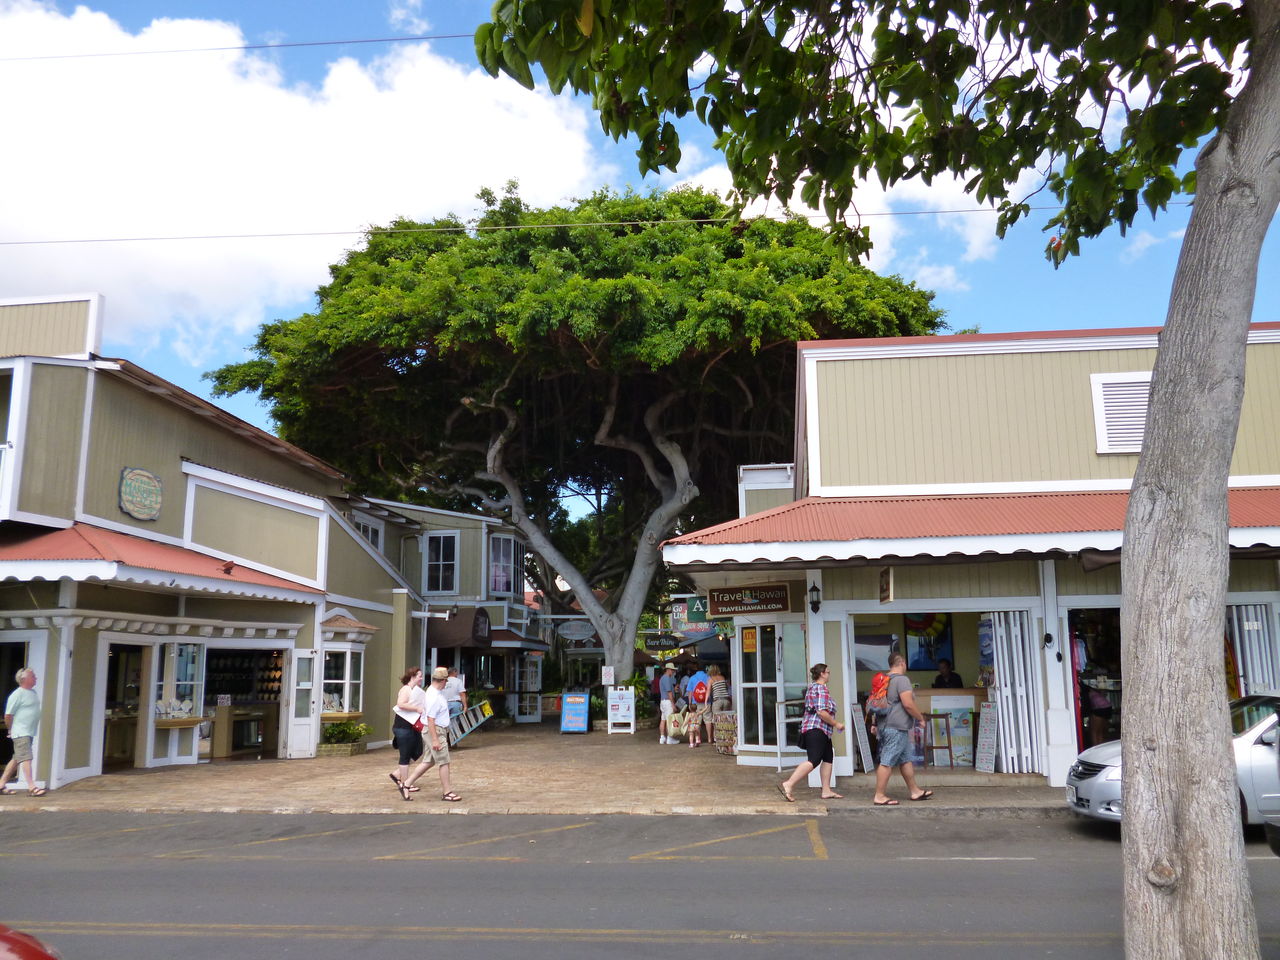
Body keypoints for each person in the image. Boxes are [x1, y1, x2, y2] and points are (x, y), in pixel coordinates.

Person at [871, 652, 934, 805]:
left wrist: (874, 724)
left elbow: (876, 703)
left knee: (905, 760)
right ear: (902, 663)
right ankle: (879, 796)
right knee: (887, 761)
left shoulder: (883, 680)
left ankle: (915, 791)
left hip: (888, 726)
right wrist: (920, 718)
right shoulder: (902, 680)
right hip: (896, 728)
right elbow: (908, 704)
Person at [778, 663, 845, 802]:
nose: (829, 674)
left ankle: (826, 790)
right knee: (814, 760)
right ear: (822, 674)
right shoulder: (821, 689)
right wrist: (836, 723)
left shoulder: (813, 688)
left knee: (828, 757)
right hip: (817, 729)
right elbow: (821, 712)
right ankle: (789, 783)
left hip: (821, 730)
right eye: (828, 672)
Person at [403, 666, 460, 801]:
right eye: (446, 681)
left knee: (429, 761)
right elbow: (430, 719)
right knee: (444, 761)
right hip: (435, 730)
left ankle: (406, 784)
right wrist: (435, 739)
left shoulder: (433, 692)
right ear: (442, 681)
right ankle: (447, 792)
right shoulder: (434, 696)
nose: (446, 683)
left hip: (433, 729)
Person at [1, 667, 43, 797]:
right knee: (26, 758)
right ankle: (31, 787)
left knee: (17, 758)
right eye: (33, 676)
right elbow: (8, 715)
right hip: (21, 732)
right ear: (24, 679)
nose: (35, 678)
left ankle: (1, 784)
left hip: (29, 732)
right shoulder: (17, 694)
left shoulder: (33, 692)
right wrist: (10, 729)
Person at [388, 666, 426, 797]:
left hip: (413, 725)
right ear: (413, 676)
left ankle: (397, 774)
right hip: (403, 726)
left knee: (418, 751)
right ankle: (404, 783)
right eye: (419, 676)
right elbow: (401, 704)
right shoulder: (406, 689)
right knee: (405, 755)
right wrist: (417, 709)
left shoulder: (417, 690)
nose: (421, 678)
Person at [705, 664, 730, 746]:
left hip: (717, 701)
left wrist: (706, 702)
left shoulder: (711, 679)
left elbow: (708, 691)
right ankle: (726, 738)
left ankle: (717, 740)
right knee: (725, 720)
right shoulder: (722, 677)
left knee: (716, 721)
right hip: (726, 700)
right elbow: (727, 687)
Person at [657, 661, 679, 745]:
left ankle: (662, 737)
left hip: (663, 701)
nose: (673, 672)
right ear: (669, 670)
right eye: (672, 670)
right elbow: (669, 692)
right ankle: (670, 738)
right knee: (669, 720)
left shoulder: (663, 678)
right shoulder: (667, 678)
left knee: (663, 719)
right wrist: (673, 704)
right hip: (668, 701)